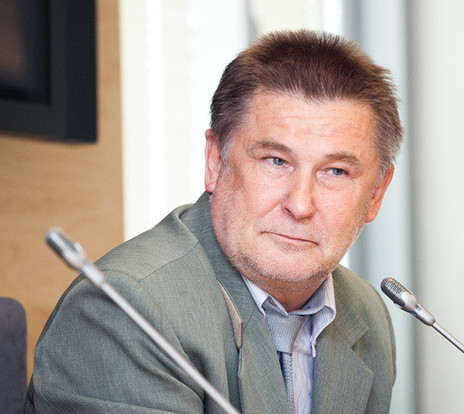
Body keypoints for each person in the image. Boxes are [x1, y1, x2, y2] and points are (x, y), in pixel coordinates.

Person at [25, 30, 403, 413]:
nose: (300, 204)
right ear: (215, 162)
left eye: (336, 171)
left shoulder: (365, 312)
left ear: (376, 194)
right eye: (275, 161)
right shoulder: (125, 311)